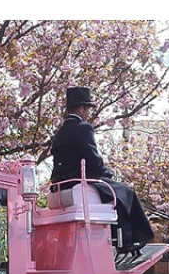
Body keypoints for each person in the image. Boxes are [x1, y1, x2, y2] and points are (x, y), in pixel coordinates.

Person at [49, 86, 154, 255]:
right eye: (88, 109)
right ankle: (127, 240)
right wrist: (107, 175)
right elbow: (93, 160)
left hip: (60, 183)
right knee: (125, 192)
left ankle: (119, 237)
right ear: (82, 108)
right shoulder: (83, 128)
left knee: (115, 191)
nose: (88, 113)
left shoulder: (59, 134)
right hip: (80, 180)